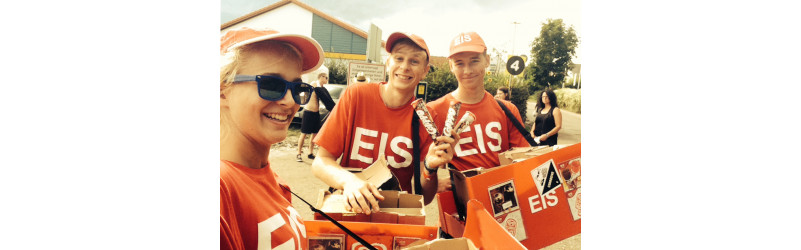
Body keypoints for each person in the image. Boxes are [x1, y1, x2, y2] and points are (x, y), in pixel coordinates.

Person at [312, 32, 456, 213]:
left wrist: (430, 168)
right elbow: (321, 162)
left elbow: (424, 199)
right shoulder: (356, 95)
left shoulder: (426, 117)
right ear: (388, 62)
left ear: (425, 70)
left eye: (414, 61)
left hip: (395, 215)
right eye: (399, 58)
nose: (404, 67)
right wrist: (350, 181)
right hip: (349, 210)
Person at [219, 27, 324, 250]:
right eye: (270, 85)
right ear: (221, 91)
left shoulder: (269, 177)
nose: (290, 101)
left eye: (297, 88)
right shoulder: (220, 190)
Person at [422, 31, 530, 193]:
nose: (467, 70)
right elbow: (423, 170)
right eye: (459, 63)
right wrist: (430, 182)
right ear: (451, 66)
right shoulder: (433, 111)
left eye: (474, 61)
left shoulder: (508, 110)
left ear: (487, 61)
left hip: (503, 205)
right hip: (459, 210)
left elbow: (523, 163)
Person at [297, 71, 335, 162]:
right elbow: (306, 93)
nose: (327, 79)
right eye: (325, 77)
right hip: (308, 113)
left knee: (314, 134)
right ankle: (298, 153)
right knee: (304, 134)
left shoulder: (322, 88)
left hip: (316, 113)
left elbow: (327, 100)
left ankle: (310, 153)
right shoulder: (313, 85)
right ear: (321, 77)